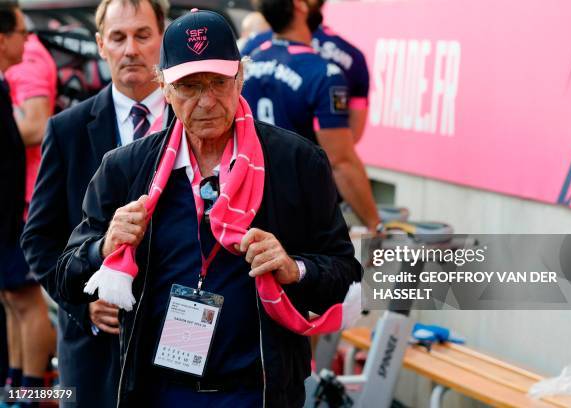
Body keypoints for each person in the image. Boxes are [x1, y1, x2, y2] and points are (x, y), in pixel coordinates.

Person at [54, 9, 361, 407]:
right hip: (158, 391)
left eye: (218, 82)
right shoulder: (126, 169)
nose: (206, 101)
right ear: (164, 88)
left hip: (258, 390)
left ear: (240, 79)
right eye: (189, 86)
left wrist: (294, 268)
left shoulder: (296, 162)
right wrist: (103, 247)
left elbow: (346, 273)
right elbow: (65, 277)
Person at [20, 1, 168, 406]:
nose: (130, 49)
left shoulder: (191, 121)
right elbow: (39, 238)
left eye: (142, 35)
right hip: (93, 359)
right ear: (102, 45)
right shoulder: (67, 128)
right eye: (118, 38)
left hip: (174, 350)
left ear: (162, 38)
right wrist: (80, 304)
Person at [241, 0, 380, 233]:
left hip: (247, 205)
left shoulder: (248, 58)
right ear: (299, 6)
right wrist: (375, 224)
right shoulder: (324, 73)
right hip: (301, 211)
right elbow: (341, 161)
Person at [0, 5, 55, 407]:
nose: (28, 37)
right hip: (10, 208)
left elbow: (34, 126)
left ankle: (31, 392)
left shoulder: (32, 61)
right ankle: (16, 387)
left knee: (26, 297)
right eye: (23, 30)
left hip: (23, 206)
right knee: (11, 299)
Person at [241, 0, 370, 143]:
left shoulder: (252, 47)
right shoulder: (349, 59)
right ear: (299, 5)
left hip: (250, 160)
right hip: (309, 159)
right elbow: (344, 149)